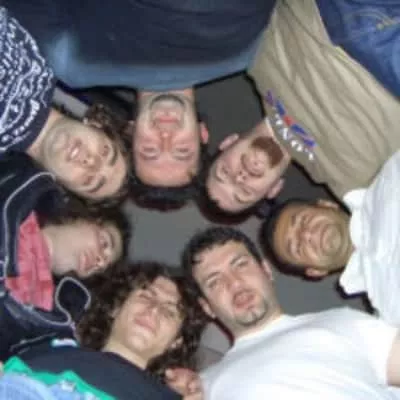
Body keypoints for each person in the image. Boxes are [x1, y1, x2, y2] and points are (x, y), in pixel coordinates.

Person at [206, 0, 400, 213]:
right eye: (244, 192)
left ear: (228, 142)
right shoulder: (352, 187)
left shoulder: (256, 59)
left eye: (225, 172)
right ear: (273, 190)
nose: (240, 177)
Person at [182, 226, 400, 399]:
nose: (234, 282)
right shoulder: (203, 387)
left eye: (240, 265)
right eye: (215, 281)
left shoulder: (343, 322)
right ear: (207, 307)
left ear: (266, 271)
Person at [0, 262, 206, 400]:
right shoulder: (51, 348)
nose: (154, 309)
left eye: (169, 311)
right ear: (116, 308)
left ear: (176, 342)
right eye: (146, 296)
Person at [0, 7, 129, 206]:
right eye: (105, 151)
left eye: (89, 181)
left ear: (60, 186)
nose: (91, 162)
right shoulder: (48, 53)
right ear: (97, 125)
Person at [261, 148, 400, 326]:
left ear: (327, 205)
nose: (306, 234)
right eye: (298, 248)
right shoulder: (388, 316)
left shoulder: (392, 178)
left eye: (303, 220)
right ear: (316, 271)